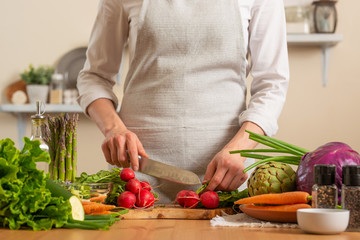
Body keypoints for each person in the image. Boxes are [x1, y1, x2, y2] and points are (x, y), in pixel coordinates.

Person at [77, 0, 289, 203]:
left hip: (226, 174)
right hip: (139, 174)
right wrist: (113, 129)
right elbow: (94, 77)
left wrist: (240, 148)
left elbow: (272, 82)